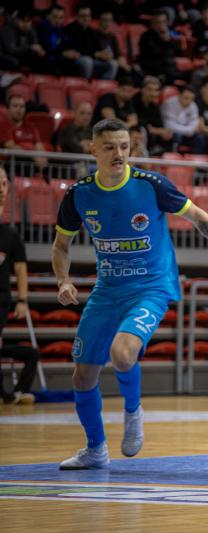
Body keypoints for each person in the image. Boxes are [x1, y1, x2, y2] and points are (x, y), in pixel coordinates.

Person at [53, 118, 208, 469]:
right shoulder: (79, 194)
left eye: (124, 146)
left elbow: (199, 217)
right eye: (109, 147)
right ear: (92, 149)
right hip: (107, 290)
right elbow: (61, 246)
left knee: (122, 353)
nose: (118, 153)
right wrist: (63, 281)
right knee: (82, 376)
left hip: (151, 286)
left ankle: (133, 413)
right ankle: (95, 449)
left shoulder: (152, 185)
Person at [0, 168, 39, 405]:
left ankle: (11, 394)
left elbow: (21, 268)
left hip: (1, 298)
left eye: (4, 183)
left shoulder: (10, 234)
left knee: (31, 353)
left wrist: (22, 299)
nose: (1, 189)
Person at [63, 5, 116, 80]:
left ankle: (103, 88)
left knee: (112, 64)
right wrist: (95, 54)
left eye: (88, 16)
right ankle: (85, 86)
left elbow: (97, 49)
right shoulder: (69, 29)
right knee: (87, 61)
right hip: (75, 61)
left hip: (92, 59)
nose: (86, 19)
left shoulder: (92, 32)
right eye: (83, 16)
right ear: (77, 17)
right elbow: (76, 50)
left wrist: (104, 54)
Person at [0, 95, 48, 170]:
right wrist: (33, 156)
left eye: (22, 106)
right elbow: (11, 147)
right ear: (8, 109)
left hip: (32, 162)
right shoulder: (4, 125)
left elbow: (39, 146)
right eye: (15, 106)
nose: (19, 110)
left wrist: (43, 158)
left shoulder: (30, 126)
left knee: (58, 162)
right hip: (14, 162)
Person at [138, 10, 184, 85]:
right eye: (158, 22)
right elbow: (156, 54)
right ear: (152, 23)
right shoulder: (146, 37)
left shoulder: (169, 35)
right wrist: (164, 41)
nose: (161, 25)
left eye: (164, 22)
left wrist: (169, 40)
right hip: (154, 69)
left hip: (170, 68)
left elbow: (179, 52)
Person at [133, 77, 172, 156]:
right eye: (150, 90)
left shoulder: (154, 106)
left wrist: (165, 132)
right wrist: (155, 130)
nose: (153, 93)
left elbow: (160, 126)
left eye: (156, 90)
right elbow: (136, 124)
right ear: (142, 90)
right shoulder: (133, 102)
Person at [161, 86, 202, 154]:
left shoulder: (193, 106)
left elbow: (194, 125)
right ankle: (174, 158)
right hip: (172, 134)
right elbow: (169, 125)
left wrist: (189, 130)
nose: (188, 101)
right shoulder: (169, 104)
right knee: (176, 135)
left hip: (186, 134)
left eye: (191, 99)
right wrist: (188, 130)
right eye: (186, 98)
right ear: (179, 95)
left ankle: (196, 161)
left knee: (199, 138)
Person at [95, 10, 132, 78]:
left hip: (111, 62)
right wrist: (99, 54)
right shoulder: (93, 35)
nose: (107, 23)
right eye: (105, 20)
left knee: (129, 70)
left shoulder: (112, 37)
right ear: (99, 21)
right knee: (113, 64)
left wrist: (121, 59)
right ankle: (104, 86)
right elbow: (89, 52)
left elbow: (117, 53)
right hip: (98, 63)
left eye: (109, 20)